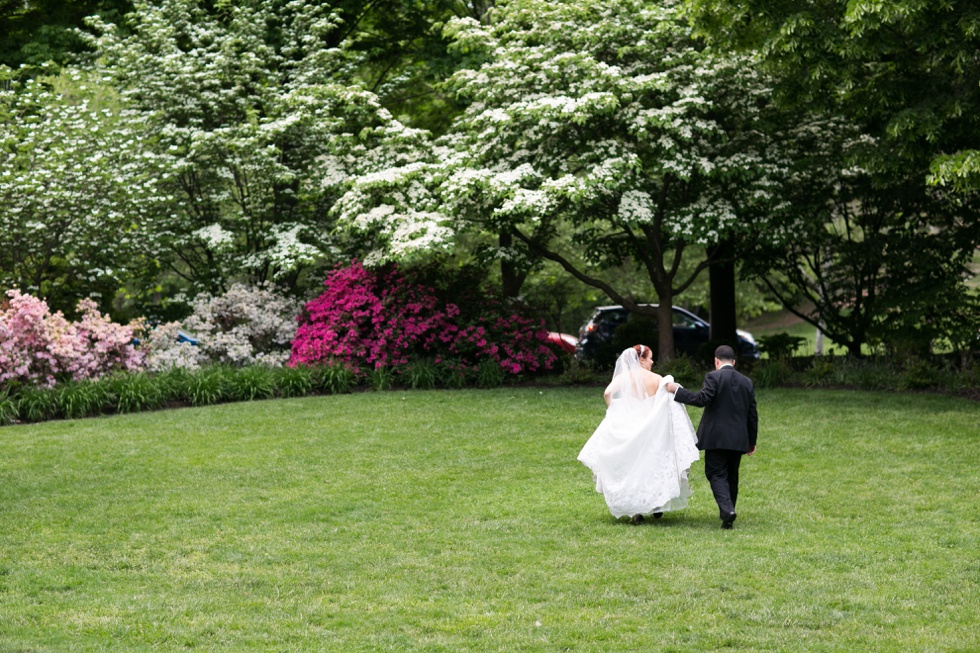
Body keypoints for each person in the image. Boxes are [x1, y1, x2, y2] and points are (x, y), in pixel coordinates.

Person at [578, 345, 699, 523]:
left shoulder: (624, 377)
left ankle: (637, 510)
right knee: (650, 465)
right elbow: (664, 400)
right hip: (650, 426)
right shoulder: (657, 378)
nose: (652, 361)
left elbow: (607, 393)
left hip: (629, 425)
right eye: (650, 358)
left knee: (633, 467)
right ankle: (655, 504)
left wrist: (615, 408)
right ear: (641, 360)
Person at [665, 345, 758, 530]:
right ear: (734, 361)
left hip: (716, 438)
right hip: (739, 438)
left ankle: (727, 511)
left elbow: (702, 399)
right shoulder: (746, 381)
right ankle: (729, 512)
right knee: (732, 476)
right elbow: (752, 414)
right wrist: (751, 441)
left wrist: (677, 391)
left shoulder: (713, 377)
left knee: (716, 473)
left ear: (716, 361)